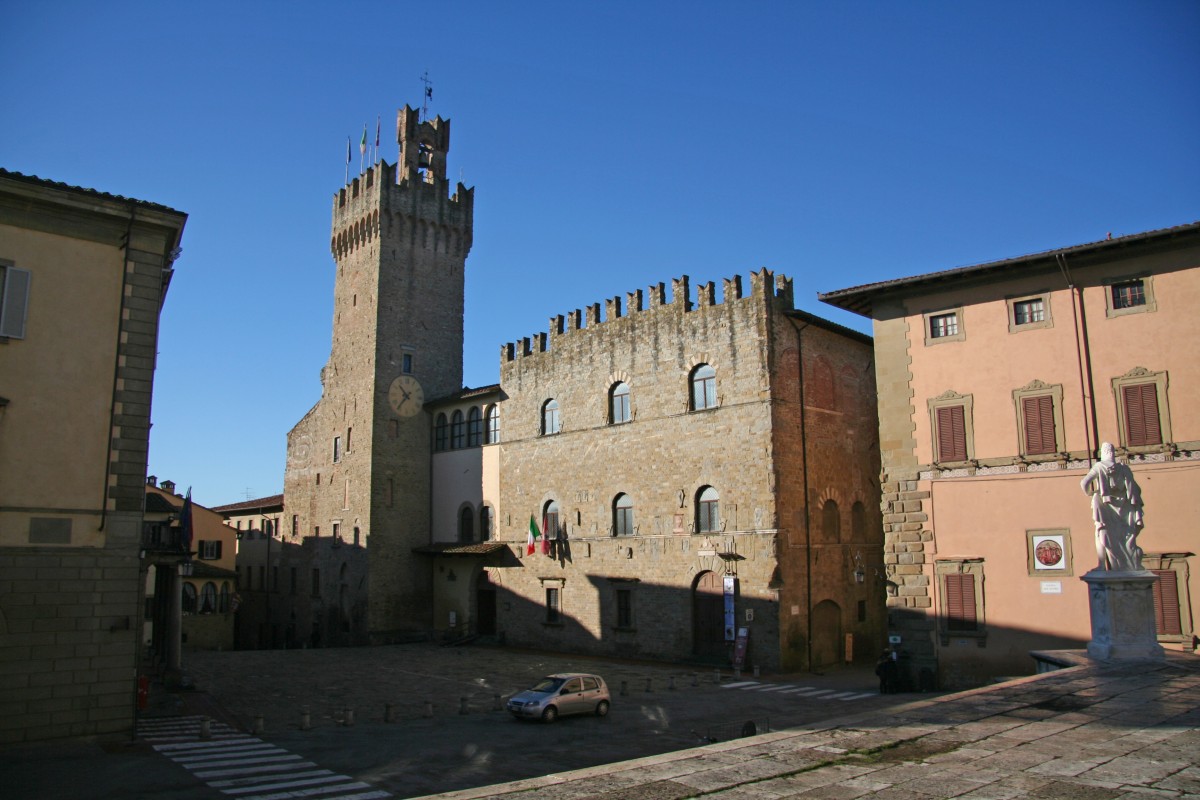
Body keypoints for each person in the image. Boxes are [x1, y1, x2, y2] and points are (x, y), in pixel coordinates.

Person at [1080, 442, 1145, 571]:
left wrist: (1090, 493)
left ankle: (1102, 565)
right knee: (1126, 535)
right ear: (1113, 453)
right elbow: (1136, 489)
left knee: (1101, 532)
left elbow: (1084, 483)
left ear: (1103, 453)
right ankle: (1128, 564)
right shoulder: (1124, 468)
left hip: (1104, 504)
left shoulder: (1099, 466)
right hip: (1125, 505)